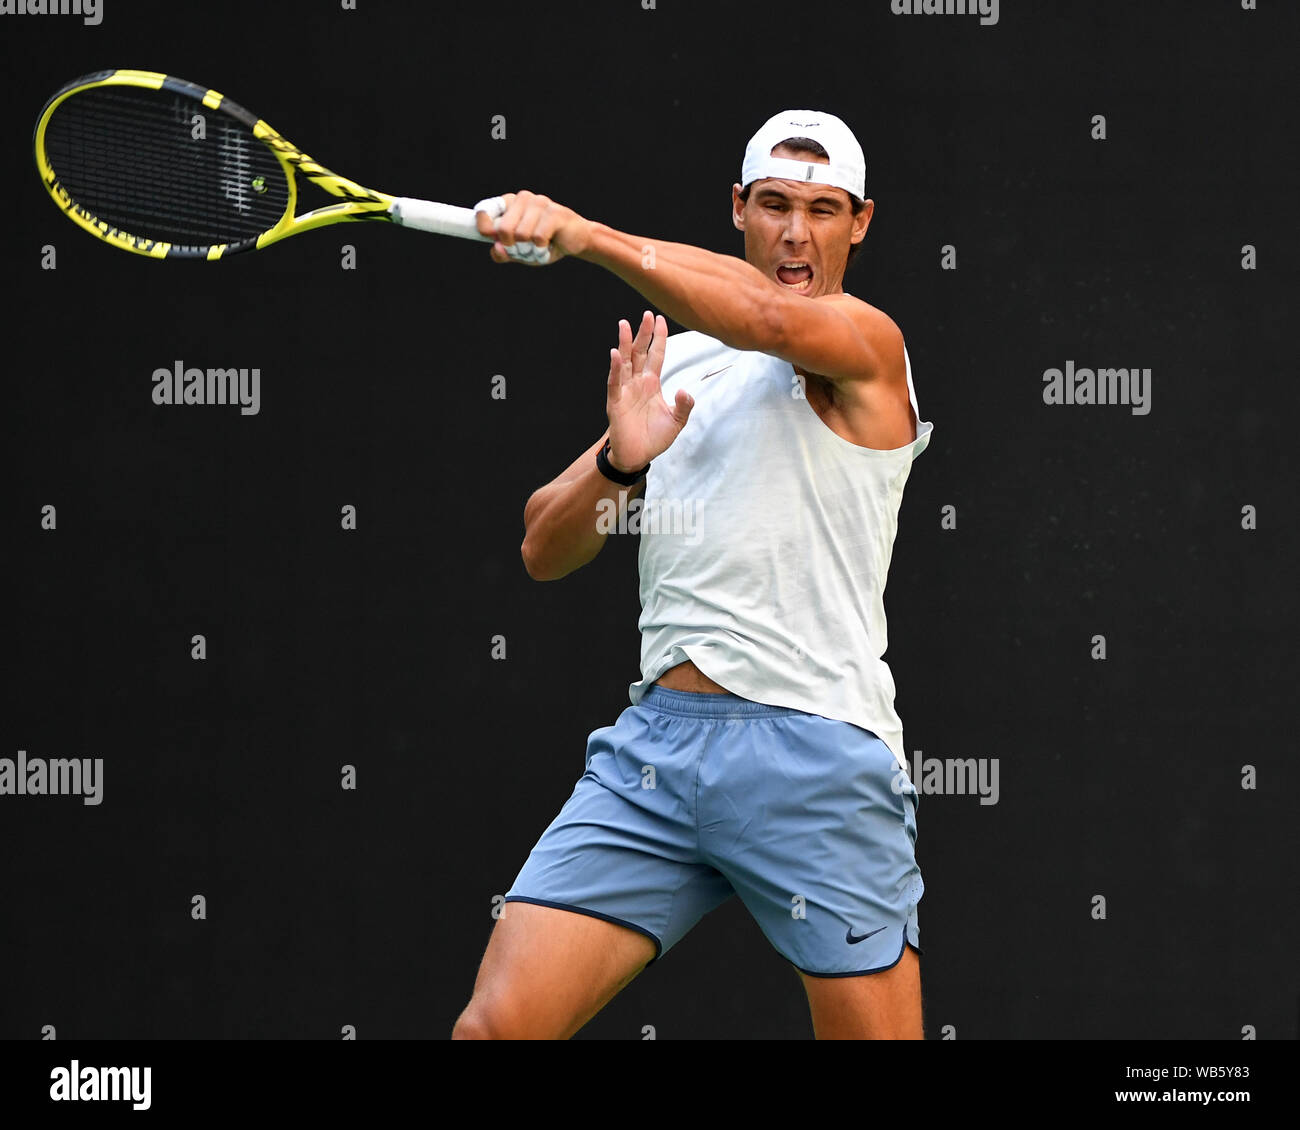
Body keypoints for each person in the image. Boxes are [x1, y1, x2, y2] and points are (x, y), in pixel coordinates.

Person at [453, 110, 934, 1040]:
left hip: (815, 756)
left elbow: (768, 316)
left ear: (860, 222)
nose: (797, 234)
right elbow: (542, 547)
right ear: (736, 209)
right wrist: (619, 465)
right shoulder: (684, 365)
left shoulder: (869, 347)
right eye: (774, 205)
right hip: (656, 757)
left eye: (824, 210)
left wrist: (584, 236)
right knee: (493, 1031)